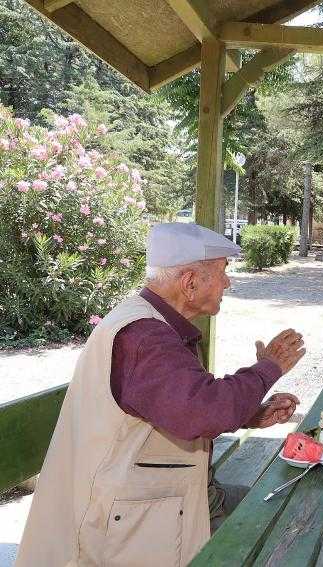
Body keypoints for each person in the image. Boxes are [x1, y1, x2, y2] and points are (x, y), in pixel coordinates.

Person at [16, 223, 306, 567]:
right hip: (123, 525)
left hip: (169, 499)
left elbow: (176, 404)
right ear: (190, 282)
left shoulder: (154, 324)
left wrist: (252, 414)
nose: (228, 283)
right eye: (223, 272)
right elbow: (201, 411)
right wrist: (267, 369)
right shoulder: (145, 337)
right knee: (289, 527)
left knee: (284, 507)